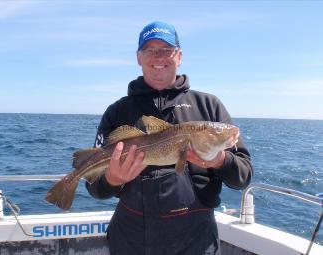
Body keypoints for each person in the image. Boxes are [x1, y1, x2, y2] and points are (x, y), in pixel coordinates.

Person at [86, 21, 253, 255]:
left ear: (179, 56)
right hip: (131, 241)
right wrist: (113, 179)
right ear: (138, 57)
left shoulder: (209, 106)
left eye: (166, 50)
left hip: (197, 242)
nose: (159, 57)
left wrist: (220, 161)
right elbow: (94, 188)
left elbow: (243, 177)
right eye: (150, 50)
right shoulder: (117, 112)